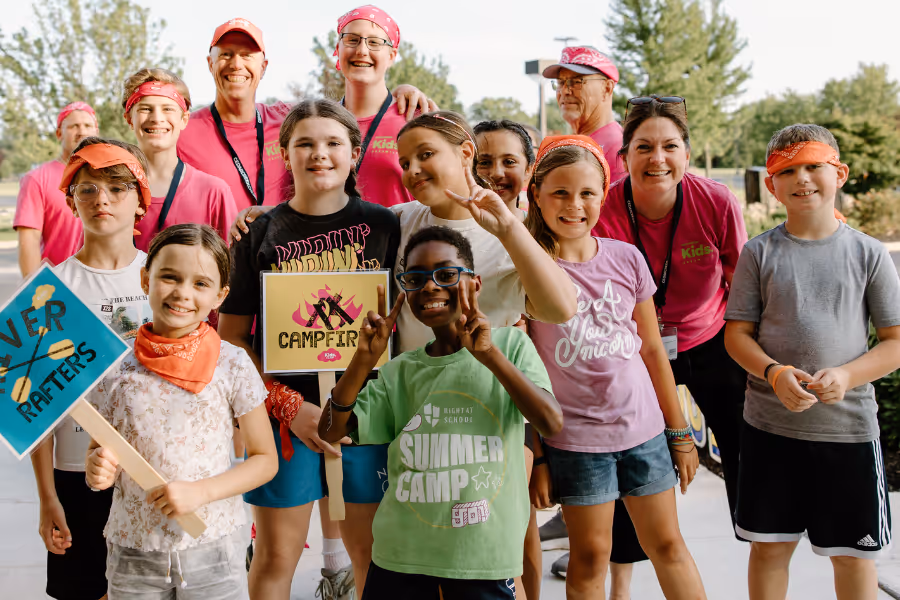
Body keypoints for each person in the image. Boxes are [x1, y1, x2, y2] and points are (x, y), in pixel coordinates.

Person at [318, 225, 564, 600]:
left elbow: (551, 421)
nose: (430, 287)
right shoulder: (400, 371)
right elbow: (330, 431)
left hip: (481, 558)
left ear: (475, 283)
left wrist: (489, 355)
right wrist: (362, 361)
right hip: (399, 557)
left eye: (446, 274)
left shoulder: (510, 345)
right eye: (415, 279)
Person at [218, 98, 400, 600]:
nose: (319, 153)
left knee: (371, 555)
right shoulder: (258, 231)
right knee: (277, 555)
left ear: (355, 153)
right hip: (284, 420)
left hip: (366, 416)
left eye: (333, 143)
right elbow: (231, 337)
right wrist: (288, 405)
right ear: (285, 153)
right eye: (305, 143)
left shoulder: (386, 226)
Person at [525, 135, 706, 600]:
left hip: (644, 434)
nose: (574, 205)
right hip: (576, 444)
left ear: (602, 195)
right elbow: (524, 376)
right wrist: (539, 458)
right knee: (590, 557)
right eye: (560, 193)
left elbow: (653, 352)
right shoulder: (528, 272)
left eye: (587, 193)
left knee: (668, 546)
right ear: (537, 195)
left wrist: (680, 434)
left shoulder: (626, 259)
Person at [724, 124, 900, 600]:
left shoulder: (868, 254)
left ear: (838, 173)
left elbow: (894, 342)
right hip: (769, 431)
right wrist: (773, 371)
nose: (801, 178)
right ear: (771, 185)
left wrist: (846, 374)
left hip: (848, 433)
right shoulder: (759, 252)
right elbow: (736, 335)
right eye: (787, 171)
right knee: (769, 550)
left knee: (853, 556)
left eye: (813, 166)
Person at [84, 223, 278, 599]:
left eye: (200, 283)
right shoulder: (114, 365)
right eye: (169, 277)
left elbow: (265, 460)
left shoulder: (232, 363)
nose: (182, 293)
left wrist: (201, 492)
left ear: (220, 295)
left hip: (213, 547)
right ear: (146, 279)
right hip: (134, 548)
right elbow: (98, 448)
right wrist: (98, 470)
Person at [595, 94, 748, 527]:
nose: (657, 159)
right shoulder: (603, 209)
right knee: (631, 448)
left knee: (741, 443)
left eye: (670, 146)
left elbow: (742, 286)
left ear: (686, 154)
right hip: (634, 346)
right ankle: (627, 543)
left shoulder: (716, 201)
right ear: (624, 156)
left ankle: (755, 534)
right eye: (643, 147)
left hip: (708, 339)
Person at [29, 137, 153, 600]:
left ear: (140, 201)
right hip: (76, 471)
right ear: (70, 201)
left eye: (117, 188)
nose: (102, 198)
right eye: (87, 189)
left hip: (151, 465)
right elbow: (37, 408)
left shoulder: (162, 278)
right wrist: (47, 498)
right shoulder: (51, 290)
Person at [394, 110, 577, 356]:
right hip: (409, 379)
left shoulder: (513, 234)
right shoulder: (397, 220)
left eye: (426, 154)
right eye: (405, 164)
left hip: (485, 380)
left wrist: (509, 229)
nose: (413, 170)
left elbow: (561, 310)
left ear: (466, 153)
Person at [472, 118, 542, 599]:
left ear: (529, 168)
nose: (495, 172)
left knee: (520, 521)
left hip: (522, 392)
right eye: (483, 161)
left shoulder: (542, 226)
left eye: (509, 161)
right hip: (461, 391)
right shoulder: (448, 222)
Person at [123, 68, 238, 250]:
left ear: (184, 119)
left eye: (167, 109)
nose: (157, 118)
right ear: (129, 119)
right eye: (145, 108)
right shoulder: (110, 190)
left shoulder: (213, 192)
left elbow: (233, 264)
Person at [15, 102, 98, 276]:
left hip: (105, 285)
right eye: (74, 126)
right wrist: (34, 287)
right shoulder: (37, 179)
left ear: (96, 131)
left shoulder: (112, 176)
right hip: (59, 285)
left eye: (88, 125)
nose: (82, 131)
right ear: (59, 134)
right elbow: (29, 241)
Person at [542, 47, 627, 185]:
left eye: (577, 82)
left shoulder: (618, 150)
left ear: (607, 88)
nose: (565, 91)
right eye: (561, 83)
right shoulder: (582, 145)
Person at [473, 119, 535, 212]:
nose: (497, 173)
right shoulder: (452, 220)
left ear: (528, 169)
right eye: (484, 163)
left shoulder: (541, 221)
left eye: (509, 162)